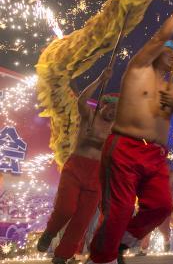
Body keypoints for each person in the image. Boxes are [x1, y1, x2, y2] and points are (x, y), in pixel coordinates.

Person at [86, 0, 173, 264]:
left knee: (162, 206)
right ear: (156, 54)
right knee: (120, 209)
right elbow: (160, 37)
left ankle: (124, 241)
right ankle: (101, 258)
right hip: (125, 146)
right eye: (168, 52)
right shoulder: (138, 70)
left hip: (156, 155)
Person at [37, 69, 118, 264]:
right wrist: (100, 79)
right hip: (75, 168)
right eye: (110, 108)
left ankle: (62, 256)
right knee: (65, 208)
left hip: (96, 175)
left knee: (82, 220)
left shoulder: (115, 129)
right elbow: (81, 101)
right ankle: (50, 232)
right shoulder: (89, 117)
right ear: (103, 105)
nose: (113, 112)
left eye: (117, 111)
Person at [139, 168, 173, 254]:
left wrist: (171, 191)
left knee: (163, 227)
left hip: (165, 202)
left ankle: (166, 239)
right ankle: (143, 249)